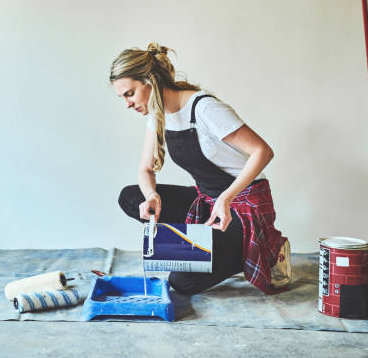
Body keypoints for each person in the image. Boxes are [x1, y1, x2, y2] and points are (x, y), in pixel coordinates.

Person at [110, 42, 291, 295]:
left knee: (182, 281)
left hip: (243, 208)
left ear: (150, 80)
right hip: (207, 202)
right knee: (130, 197)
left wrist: (226, 198)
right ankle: (210, 245)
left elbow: (262, 151)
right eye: (122, 98)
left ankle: (264, 249)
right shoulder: (157, 113)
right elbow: (145, 170)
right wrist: (152, 196)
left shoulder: (204, 108)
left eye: (130, 93)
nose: (127, 104)